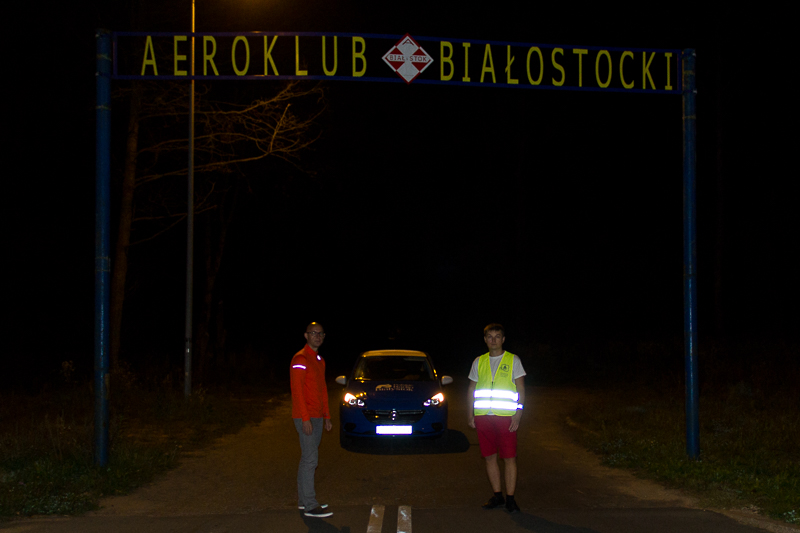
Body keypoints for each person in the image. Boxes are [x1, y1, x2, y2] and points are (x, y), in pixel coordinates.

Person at [467, 323, 526, 513]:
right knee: (489, 457)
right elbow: (471, 388)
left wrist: (518, 413)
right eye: (490, 336)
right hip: (483, 416)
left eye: (497, 336)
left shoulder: (513, 360)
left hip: (506, 417)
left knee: (509, 458)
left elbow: (521, 388)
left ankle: (510, 499)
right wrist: (470, 413)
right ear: (485, 339)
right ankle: (497, 495)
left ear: (503, 339)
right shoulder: (479, 361)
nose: (493, 340)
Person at [290, 322, 333, 518]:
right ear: (306, 335)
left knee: (307, 458)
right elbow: (297, 391)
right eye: (313, 333)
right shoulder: (300, 358)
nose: (317, 336)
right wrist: (305, 418)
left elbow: (322, 389)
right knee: (310, 460)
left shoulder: (319, 360)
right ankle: (310, 505)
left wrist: (327, 416)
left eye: (320, 334)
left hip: (317, 416)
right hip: (305, 416)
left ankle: (303, 501)